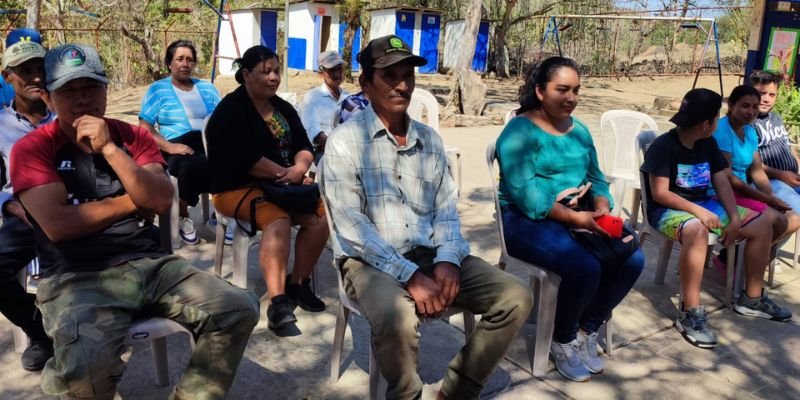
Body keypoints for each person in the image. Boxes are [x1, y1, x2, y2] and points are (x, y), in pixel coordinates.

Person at [10, 43, 259, 399]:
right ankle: (66, 372)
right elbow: (60, 226)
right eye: (68, 91)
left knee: (238, 308)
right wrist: (133, 202)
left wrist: (109, 149)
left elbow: (159, 200)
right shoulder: (32, 149)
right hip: (76, 276)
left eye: (91, 88)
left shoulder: (133, 136)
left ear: (106, 91)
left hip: (151, 264)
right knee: (86, 372)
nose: (82, 100)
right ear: (49, 99)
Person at [322, 35, 533, 400]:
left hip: (430, 253)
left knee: (515, 296)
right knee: (397, 319)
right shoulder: (345, 142)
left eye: (408, 75)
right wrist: (411, 275)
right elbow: (352, 228)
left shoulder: (430, 140)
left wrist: (448, 259)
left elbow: (446, 210)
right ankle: (407, 395)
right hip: (368, 261)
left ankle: (455, 392)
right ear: (365, 83)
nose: (402, 85)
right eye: (390, 76)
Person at [495, 56, 644, 382]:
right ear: (539, 91)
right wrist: (577, 218)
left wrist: (602, 205)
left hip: (578, 214)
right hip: (525, 221)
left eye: (576, 90)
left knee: (633, 258)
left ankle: (585, 329)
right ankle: (561, 340)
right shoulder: (519, 133)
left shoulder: (580, 131)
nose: (571, 97)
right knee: (584, 266)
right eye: (562, 89)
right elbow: (529, 198)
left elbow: (597, 176)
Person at [641, 88, 792, 351]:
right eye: (715, 118)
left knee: (762, 223)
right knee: (698, 231)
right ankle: (690, 311)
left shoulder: (707, 143)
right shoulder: (664, 146)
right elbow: (660, 194)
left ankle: (751, 298)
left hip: (704, 204)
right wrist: (699, 212)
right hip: (667, 210)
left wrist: (734, 217)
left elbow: (721, 181)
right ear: (706, 123)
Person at [205, 45, 329, 331]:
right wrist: (289, 175)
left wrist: (299, 169)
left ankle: (298, 282)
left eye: (276, 71)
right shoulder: (231, 111)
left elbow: (303, 145)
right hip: (234, 187)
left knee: (323, 216)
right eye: (266, 72)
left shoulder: (282, 108)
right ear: (246, 75)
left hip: (282, 184)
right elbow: (244, 159)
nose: (274, 78)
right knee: (277, 219)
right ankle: (278, 301)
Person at [0, 30, 55, 372]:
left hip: (74, 213)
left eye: (41, 68)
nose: (36, 76)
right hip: (22, 218)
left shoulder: (68, 115)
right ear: (8, 77)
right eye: (25, 70)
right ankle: (40, 330)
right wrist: (8, 204)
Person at [139, 39, 223, 245]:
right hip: (175, 144)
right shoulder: (158, 90)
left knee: (232, 163)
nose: (185, 64)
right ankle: (184, 215)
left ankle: (221, 213)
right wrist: (169, 146)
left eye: (190, 60)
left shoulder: (208, 88)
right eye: (180, 59)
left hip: (208, 142)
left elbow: (223, 119)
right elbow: (145, 127)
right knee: (191, 165)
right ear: (169, 63)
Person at [711, 85, 800, 270]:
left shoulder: (749, 131)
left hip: (745, 190)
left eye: (754, 107)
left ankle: (735, 258)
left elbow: (757, 170)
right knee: (777, 220)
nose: (751, 112)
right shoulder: (722, 131)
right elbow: (725, 176)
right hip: (723, 192)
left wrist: (772, 198)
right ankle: (740, 263)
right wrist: (765, 198)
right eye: (745, 106)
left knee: (793, 218)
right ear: (732, 105)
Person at [750, 70, 800, 212]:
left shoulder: (776, 117)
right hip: (768, 181)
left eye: (772, 95)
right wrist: (782, 175)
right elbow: (751, 164)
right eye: (761, 93)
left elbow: (788, 146)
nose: (766, 99)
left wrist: (798, 167)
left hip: (791, 178)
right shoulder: (748, 123)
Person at [300, 50, 349, 162]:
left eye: (339, 69)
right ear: (321, 73)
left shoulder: (348, 97)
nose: (337, 74)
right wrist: (336, 148)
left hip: (348, 151)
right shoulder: (312, 97)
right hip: (324, 152)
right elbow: (313, 131)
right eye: (332, 70)